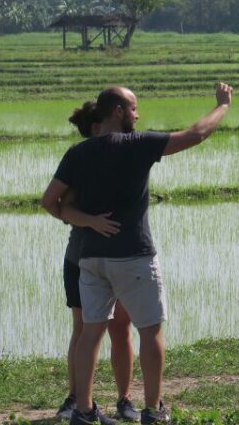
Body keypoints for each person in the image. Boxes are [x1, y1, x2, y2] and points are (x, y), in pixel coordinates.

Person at [42, 82, 233, 425]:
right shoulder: (138, 145)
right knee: (149, 330)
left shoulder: (78, 153)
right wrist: (222, 106)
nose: (137, 114)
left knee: (90, 332)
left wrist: (89, 222)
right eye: (133, 108)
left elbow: (49, 202)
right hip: (133, 256)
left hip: (91, 259)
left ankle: (83, 411)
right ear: (118, 112)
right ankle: (153, 409)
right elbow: (196, 135)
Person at [56, 101, 139, 422]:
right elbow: (61, 206)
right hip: (83, 257)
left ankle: (124, 400)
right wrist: (91, 221)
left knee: (121, 326)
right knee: (84, 329)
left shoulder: (123, 158)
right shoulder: (82, 160)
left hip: (121, 255)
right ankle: (77, 398)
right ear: (97, 127)